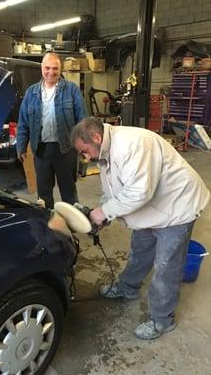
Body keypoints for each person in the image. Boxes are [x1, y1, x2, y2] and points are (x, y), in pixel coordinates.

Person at [71, 117, 210, 340]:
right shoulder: (106, 151)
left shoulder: (131, 144)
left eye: (84, 151)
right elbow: (115, 189)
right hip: (152, 206)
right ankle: (128, 288)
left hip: (177, 204)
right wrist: (105, 212)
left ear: (96, 138)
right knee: (141, 249)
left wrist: (103, 212)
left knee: (166, 266)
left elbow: (138, 193)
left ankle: (163, 319)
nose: (85, 157)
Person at [16, 52, 88, 209]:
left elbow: (83, 120)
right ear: (42, 68)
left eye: (55, 68)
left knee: (69, 193)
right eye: (47, 68)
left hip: (66, 149)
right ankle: (47, 226)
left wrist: (85, 146)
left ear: (60, 69)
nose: (51, 72)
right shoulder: (31, 93)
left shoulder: (72, 90)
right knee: (43, 194)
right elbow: (23, 122)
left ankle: (71, 226)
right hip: (41, 150)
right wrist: (21, 146)